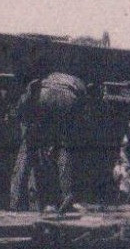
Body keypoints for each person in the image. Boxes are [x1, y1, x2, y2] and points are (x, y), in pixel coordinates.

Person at [8, 71, 87, 212]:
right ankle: (65, 195)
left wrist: (18, 116)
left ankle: (15, 201)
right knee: (63, 151)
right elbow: (81, 109)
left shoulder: (43, 79)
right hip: (69, 99)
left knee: (27, 151)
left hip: (44, 97)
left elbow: (25, 100)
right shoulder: (75, 80)